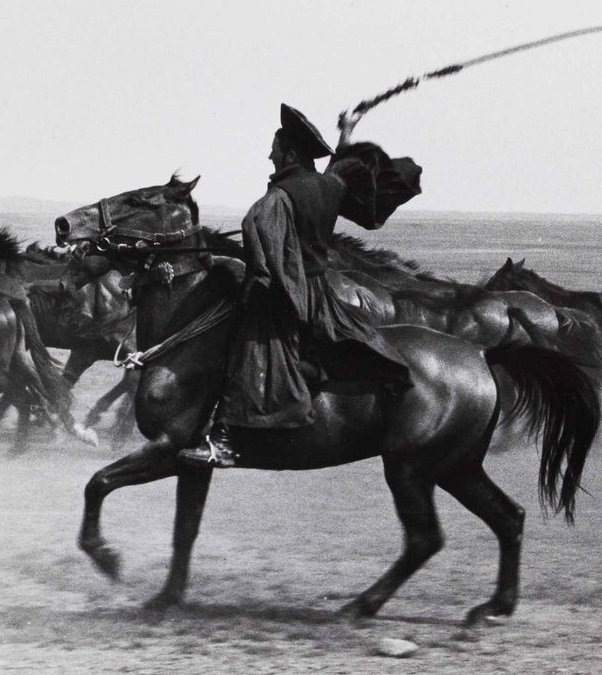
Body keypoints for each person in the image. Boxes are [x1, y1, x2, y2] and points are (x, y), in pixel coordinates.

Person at [177, 104, 422, 467]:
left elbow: (266, 255)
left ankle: (223, 441)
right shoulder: (328, 186)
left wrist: (255, 283)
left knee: (244, 347)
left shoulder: (274, 201)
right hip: (320, 292)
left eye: (275, 150)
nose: (270, 156)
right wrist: (347, 130)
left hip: (288, 292)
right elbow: (340, 166)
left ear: (290, 154)